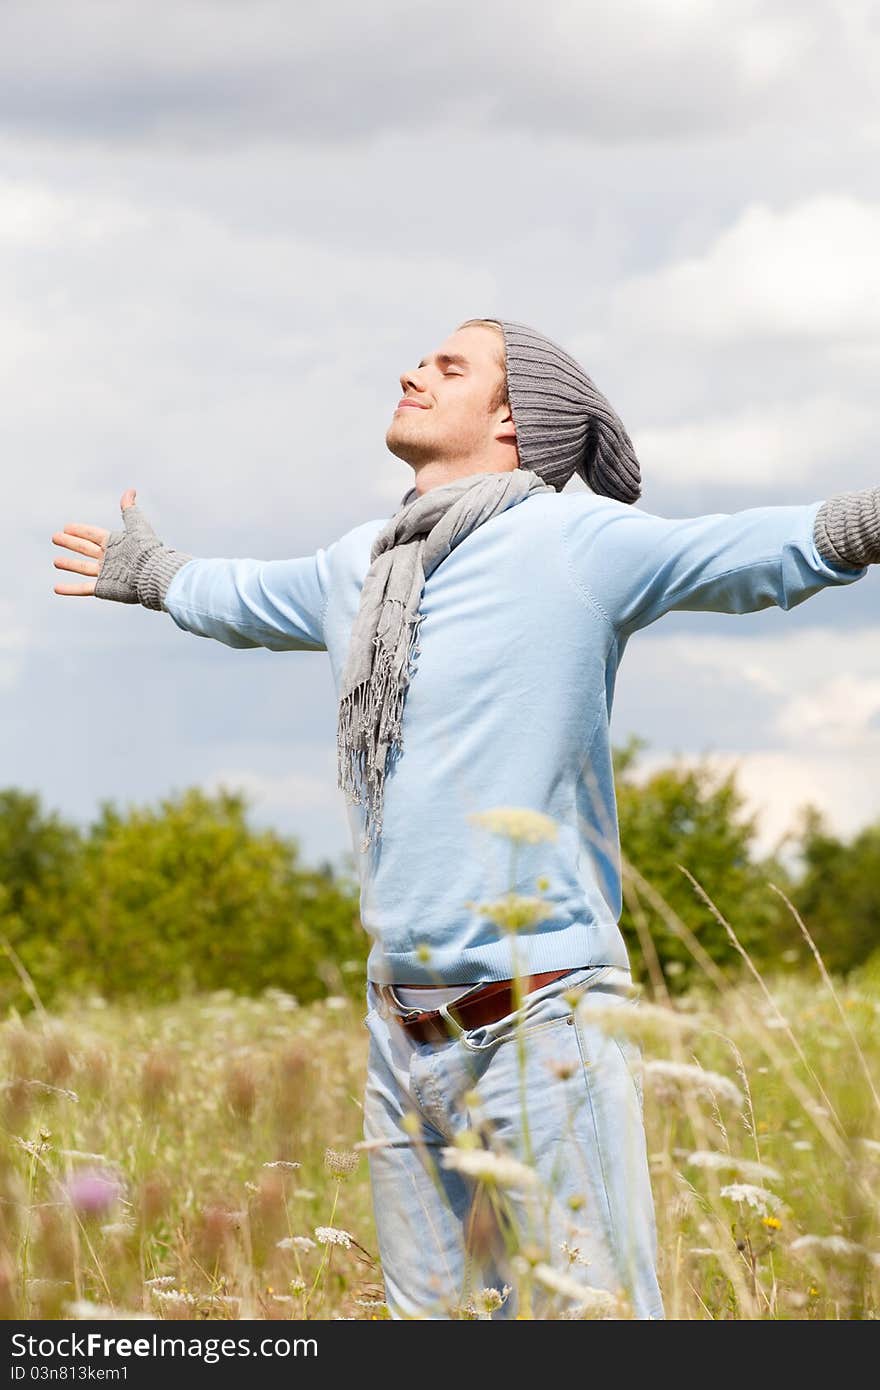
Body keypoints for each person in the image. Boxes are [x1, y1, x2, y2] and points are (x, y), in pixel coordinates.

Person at [52, 317, 877, 1320]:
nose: (411, 370)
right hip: (399, 1028)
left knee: (593, 1312)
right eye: (419, 359)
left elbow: (745, 552)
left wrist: (861, 521)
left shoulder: (573, 542)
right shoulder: (360, 563)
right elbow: (244, 594)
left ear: (512, 420)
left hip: (541, 1016)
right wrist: (156, 575)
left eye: (449, 367)